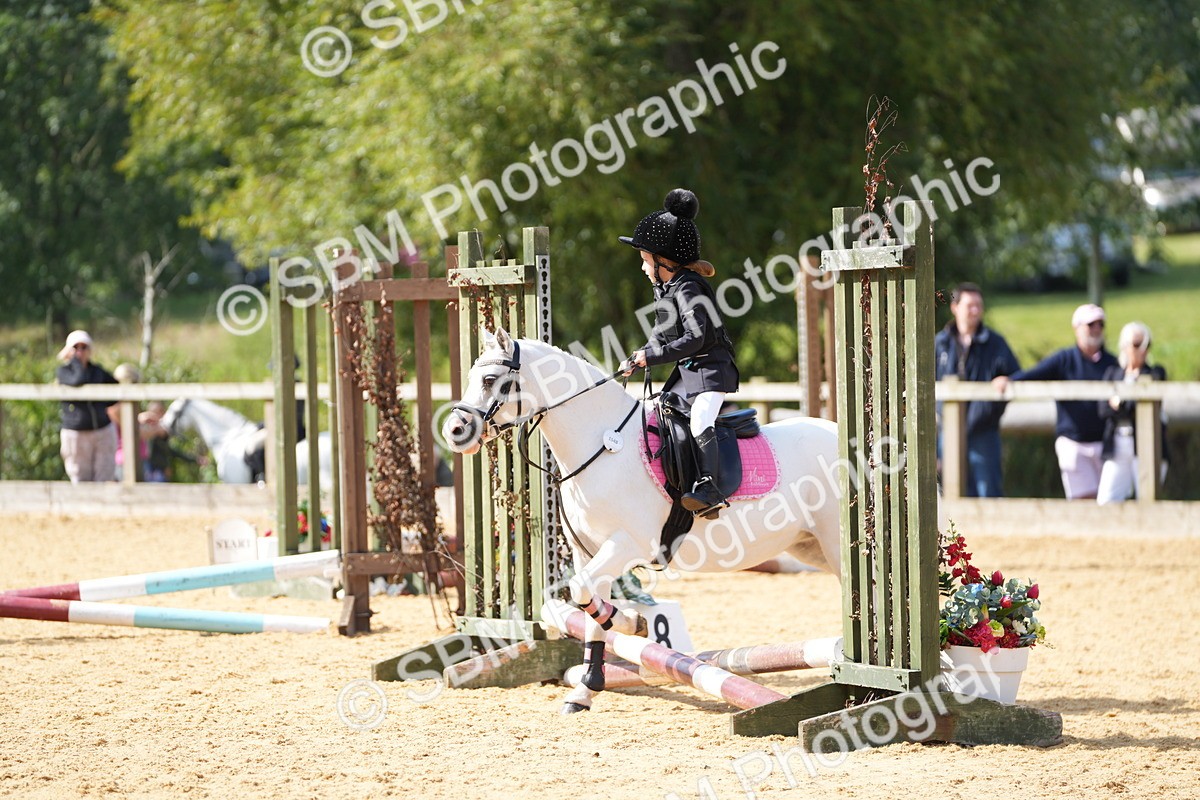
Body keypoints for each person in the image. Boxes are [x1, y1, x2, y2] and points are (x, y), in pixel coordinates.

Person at [619, 188, 740, 518]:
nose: (643, 268)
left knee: (701, 419)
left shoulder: (687, 287)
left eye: (646, 261)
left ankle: (710, 489)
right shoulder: (668, 289)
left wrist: (653, 358)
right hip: (689, 375)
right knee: (657, 410)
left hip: (712, 372)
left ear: (664, 262)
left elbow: (696, 339)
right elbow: (659, 338)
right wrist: (637, 357)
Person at [992, 303, 1119, 500]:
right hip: (1073, 442)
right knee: (1082, 501)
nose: (1096, 329)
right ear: (1077, 328)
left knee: (1108, 501)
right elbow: (1035, 373)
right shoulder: (1065, 359)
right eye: (1091, 324)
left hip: (1105, 443)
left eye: (1100, 324)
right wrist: (1010, 380)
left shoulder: (1112, 363)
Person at [934, 283, 1020, 497]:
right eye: (970, 305)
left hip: (984, 429)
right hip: (948, 430)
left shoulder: (995, 343)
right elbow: (926, 382)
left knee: (988, 491)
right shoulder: (940, 343)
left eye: (978, 306)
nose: (975, 311)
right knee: (950, 492)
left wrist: (1005, 379)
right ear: (955, 307)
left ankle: (992, 531)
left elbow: (1017, 373)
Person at [1096, 321, 1168, 504]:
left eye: (1146, 345)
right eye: (1137, 345)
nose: (1142, 350)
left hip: (1145, 444)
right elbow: (1103, 410)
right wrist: (1124, 405)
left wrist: (1119, 404)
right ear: (1125, 346)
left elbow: (1134, 408)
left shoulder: (1154, 373)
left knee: (1148, 499)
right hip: (1117, 443)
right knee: (1106, 499)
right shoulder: (1113, 373)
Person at [55, 330, 119, 483]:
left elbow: (116, 389)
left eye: (84, 347)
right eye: (76, 347)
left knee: (103, 478)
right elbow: (78, 379)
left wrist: (100, 405)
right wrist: (75, 362)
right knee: (80, 479)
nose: (80, 351)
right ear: (68, 350)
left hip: (102, 430)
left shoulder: (97, 371)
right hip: (77, 432)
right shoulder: (63, 371)